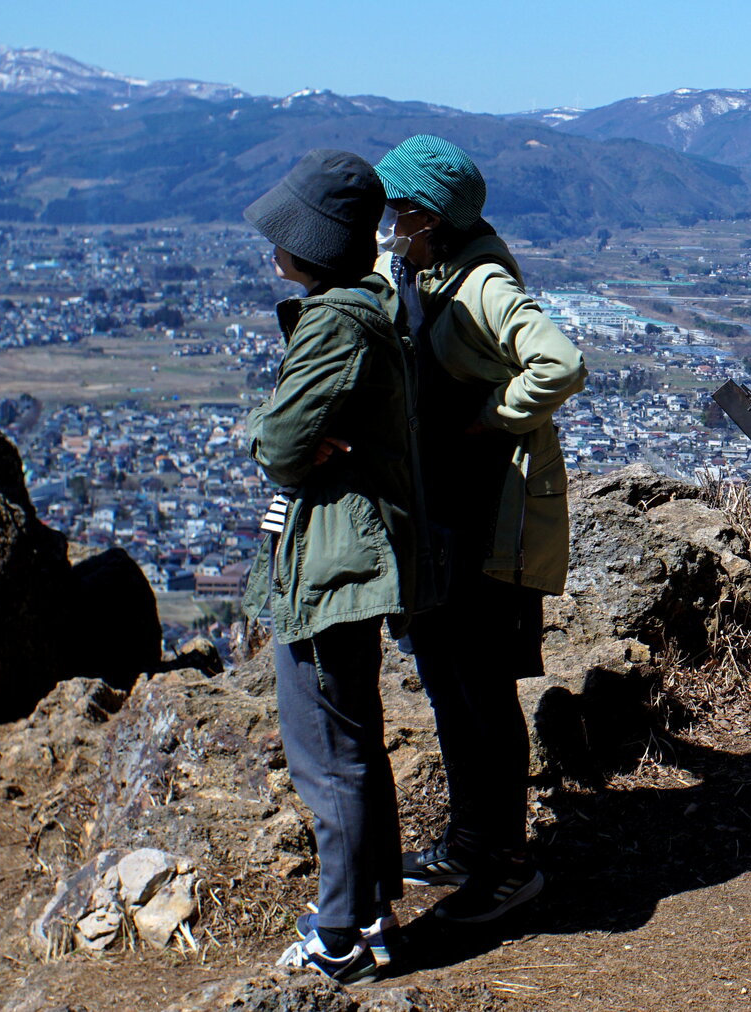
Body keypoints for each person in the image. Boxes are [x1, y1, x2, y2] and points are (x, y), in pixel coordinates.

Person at [373, 134, 586, 924]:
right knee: (449, 686)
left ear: (433, 215)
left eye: (402, 209)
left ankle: (505, 863)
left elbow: (560, 364)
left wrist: (490, 423)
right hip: (446, 516)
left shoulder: (483, 282)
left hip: (484, 518)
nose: (393, 222)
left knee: (480, 691)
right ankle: (470, 839)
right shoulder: (436, 269)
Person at [241, 149, 414, 982]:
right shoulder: (364, 307)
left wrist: (278, 438)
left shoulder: (335, 321)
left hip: (329, 564)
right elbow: (289, 434)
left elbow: (277, 442)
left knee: (324, 754)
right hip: (348, 557)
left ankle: (339, 937)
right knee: (353, 742)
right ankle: (372, 908)